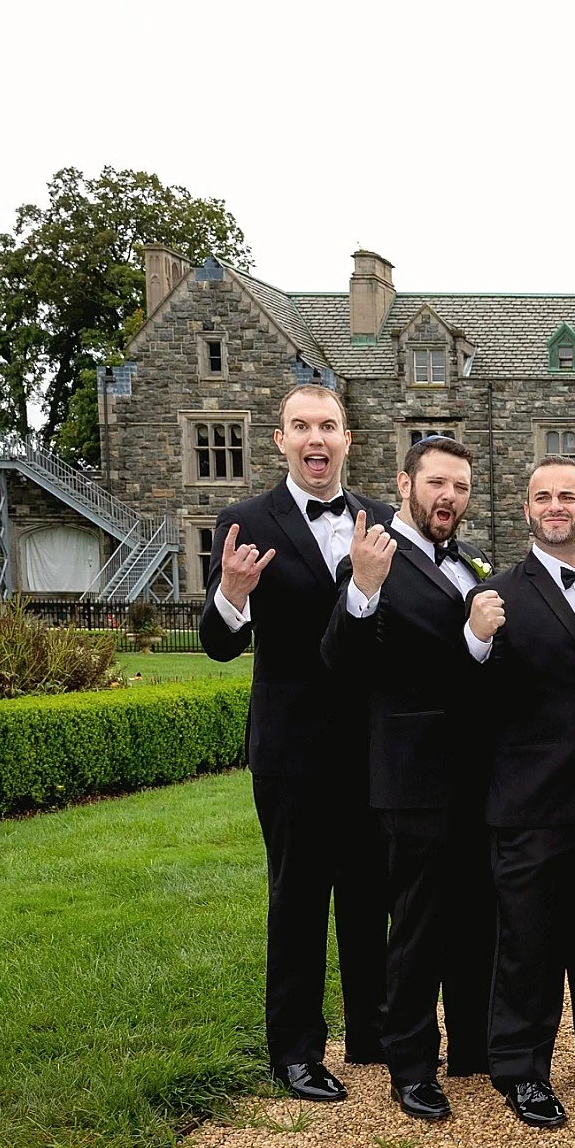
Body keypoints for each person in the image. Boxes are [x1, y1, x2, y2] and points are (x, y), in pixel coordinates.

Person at [199, 383, 393, 1102]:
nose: (317, 438)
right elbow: (218, 642)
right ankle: (296, 1050)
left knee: (372, 890)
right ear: (279, 440)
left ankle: (374, 1028)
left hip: (374, 746)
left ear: (348, 439)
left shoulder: (382, 518)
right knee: (300, 897)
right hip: (294, 749)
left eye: (330, 426)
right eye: (302, 426)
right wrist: (234, 593)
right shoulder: (246, 520)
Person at [463, 457, 575, 1129]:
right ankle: (520, 1067)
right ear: (526, 510)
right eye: (543, 495)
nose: (555, 505)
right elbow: (474, 706)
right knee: (529, 941)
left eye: (568, 494)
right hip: (533, 800)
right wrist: (476, 641)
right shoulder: (499, 596)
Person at [321, 436, 494, 1120]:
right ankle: (412, 1065)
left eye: (459, 486)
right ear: (405, 483)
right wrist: (362, 586)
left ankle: (474, 1047)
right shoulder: (375, 559)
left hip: (476, 776)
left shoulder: (466, 567)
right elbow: (343, 657)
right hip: (411, 774)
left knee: (474, 915)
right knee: (418, 924)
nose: (448, 496)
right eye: (437, 483)